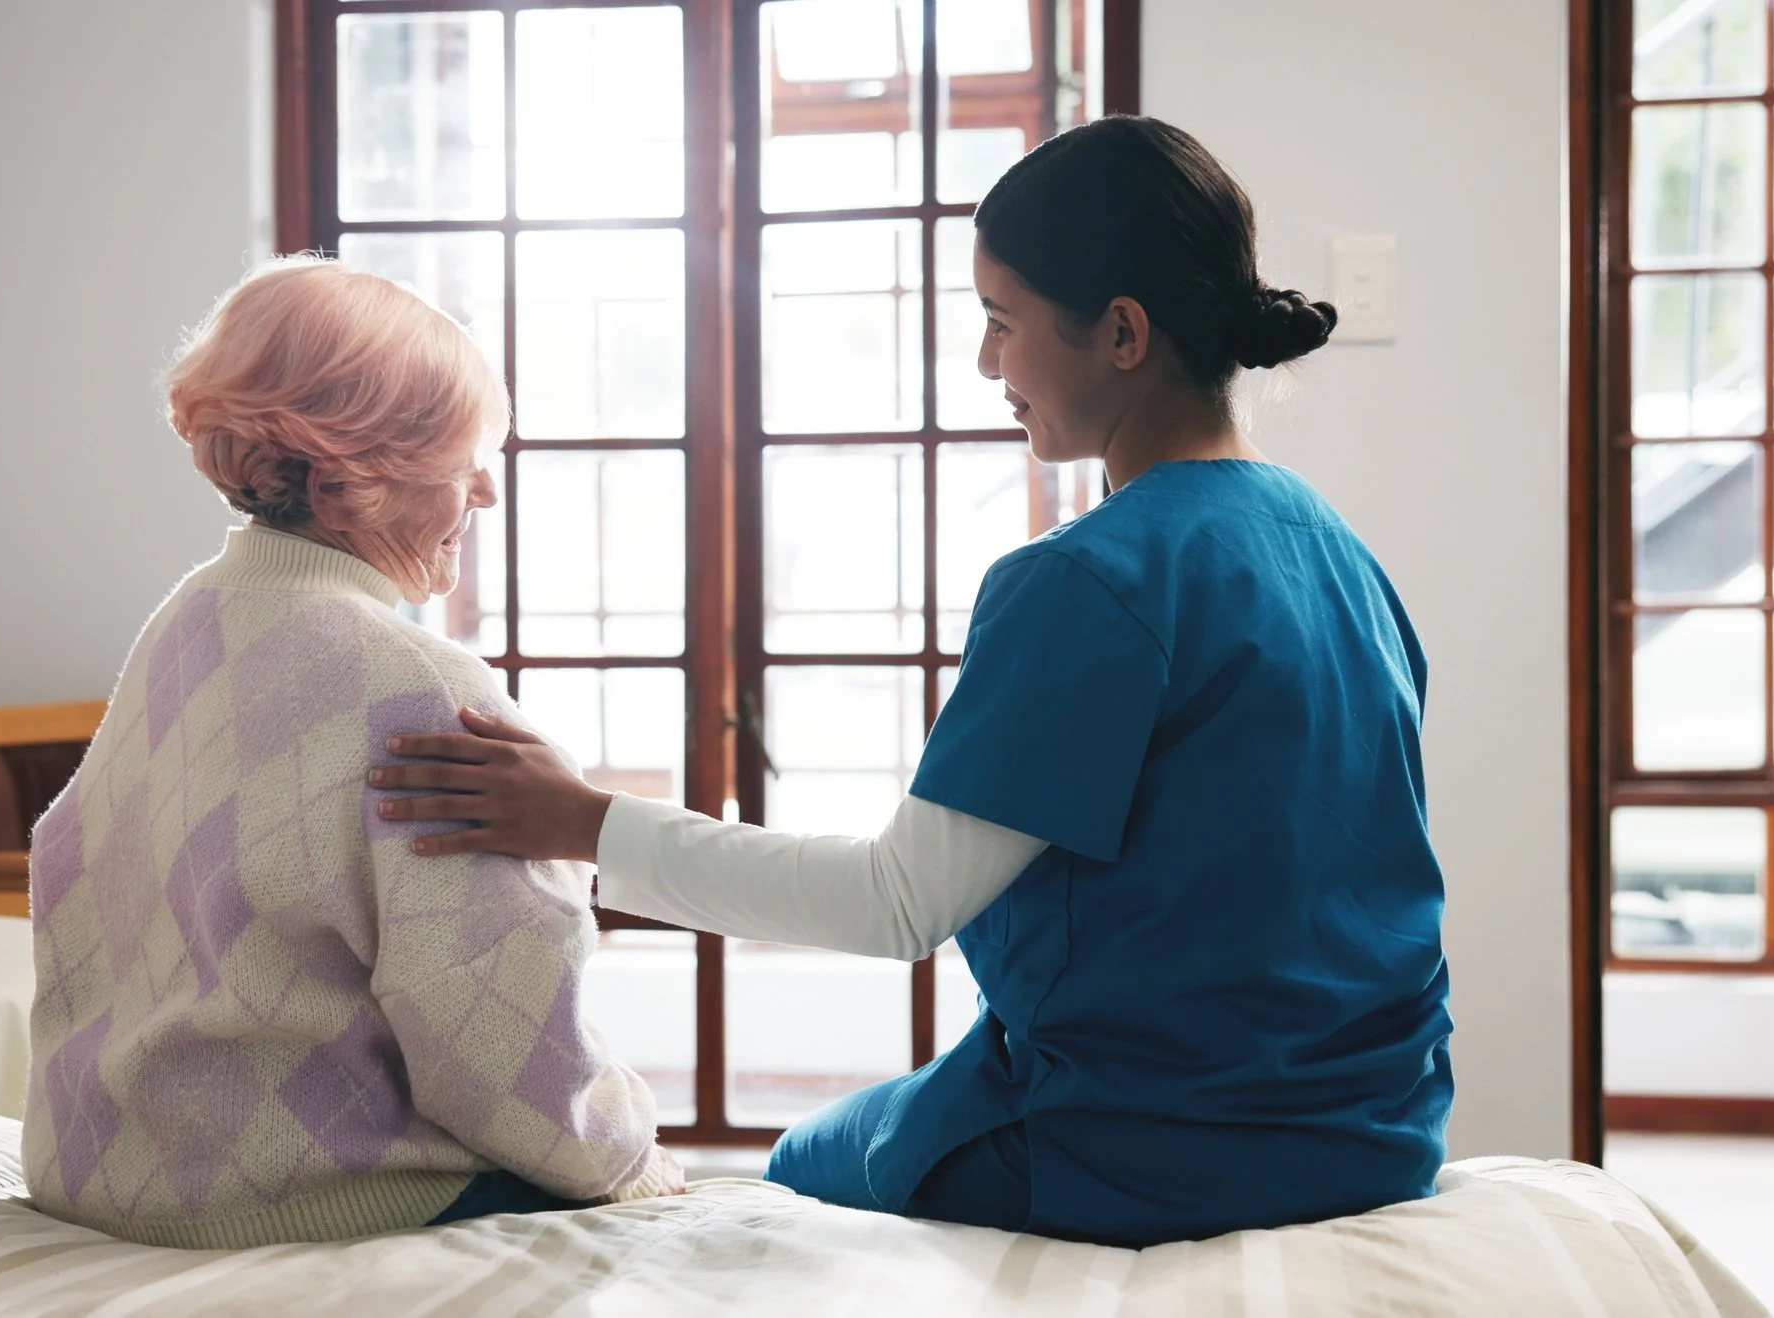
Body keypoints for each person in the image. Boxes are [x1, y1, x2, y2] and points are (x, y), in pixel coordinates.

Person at [371, 116, 1453, 1248]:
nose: (988, 364)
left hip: (1160, 1142)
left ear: (1122, 333)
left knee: (795, 1165)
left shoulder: (1093, 580)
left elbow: (896, 905)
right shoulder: (1331, 542)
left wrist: (582, 820)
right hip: (1373, 1124)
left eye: (1001, 322)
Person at [22, 257, 682, 1249]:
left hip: (107, 1175)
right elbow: (502, 1055)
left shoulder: (186, 621)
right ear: (351, 480)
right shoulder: (418, 686)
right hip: (304, 1198)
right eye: (463, 459)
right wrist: (641, 1162)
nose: (486, 492)